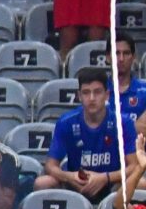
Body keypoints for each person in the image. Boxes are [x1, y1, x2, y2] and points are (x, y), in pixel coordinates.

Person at [36, 68, 135, 198]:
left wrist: (105, 178)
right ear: (79, 96)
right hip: (76, 184)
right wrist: (69, 177)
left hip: (112, 184)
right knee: (42, 183)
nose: (92, 98)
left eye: (97, 92)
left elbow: (134, 166)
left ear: (107, 95)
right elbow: (50, 165)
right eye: (86, 93)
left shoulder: (124, 122)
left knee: (141, 184)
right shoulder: (66, 122)